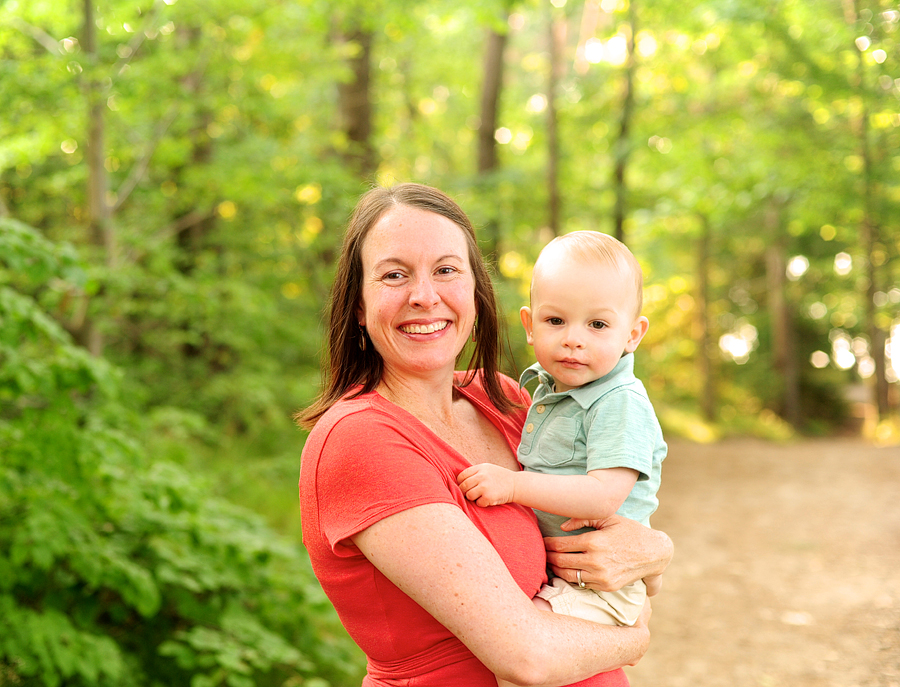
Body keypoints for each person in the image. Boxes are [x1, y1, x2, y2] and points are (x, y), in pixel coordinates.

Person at [297, 183, 673, 686]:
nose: (425, 296)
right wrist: (636, 639)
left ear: (475, 291)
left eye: (447, 270)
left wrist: (655, 549)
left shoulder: (508, 399)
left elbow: (613, 504)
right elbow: (528, 658)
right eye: (393, 275)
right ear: (359, 308)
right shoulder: (360, 439)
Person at [457, 231, 667, 633]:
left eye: (597, 324)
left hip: (599, 581)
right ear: (530, 325)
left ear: (632, 335)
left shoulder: (618, 402)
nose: (573, 339)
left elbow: (603, 496)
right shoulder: (545, 389)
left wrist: (513, 486)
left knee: (519, 643)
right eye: (555, 320)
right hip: (562, 572)